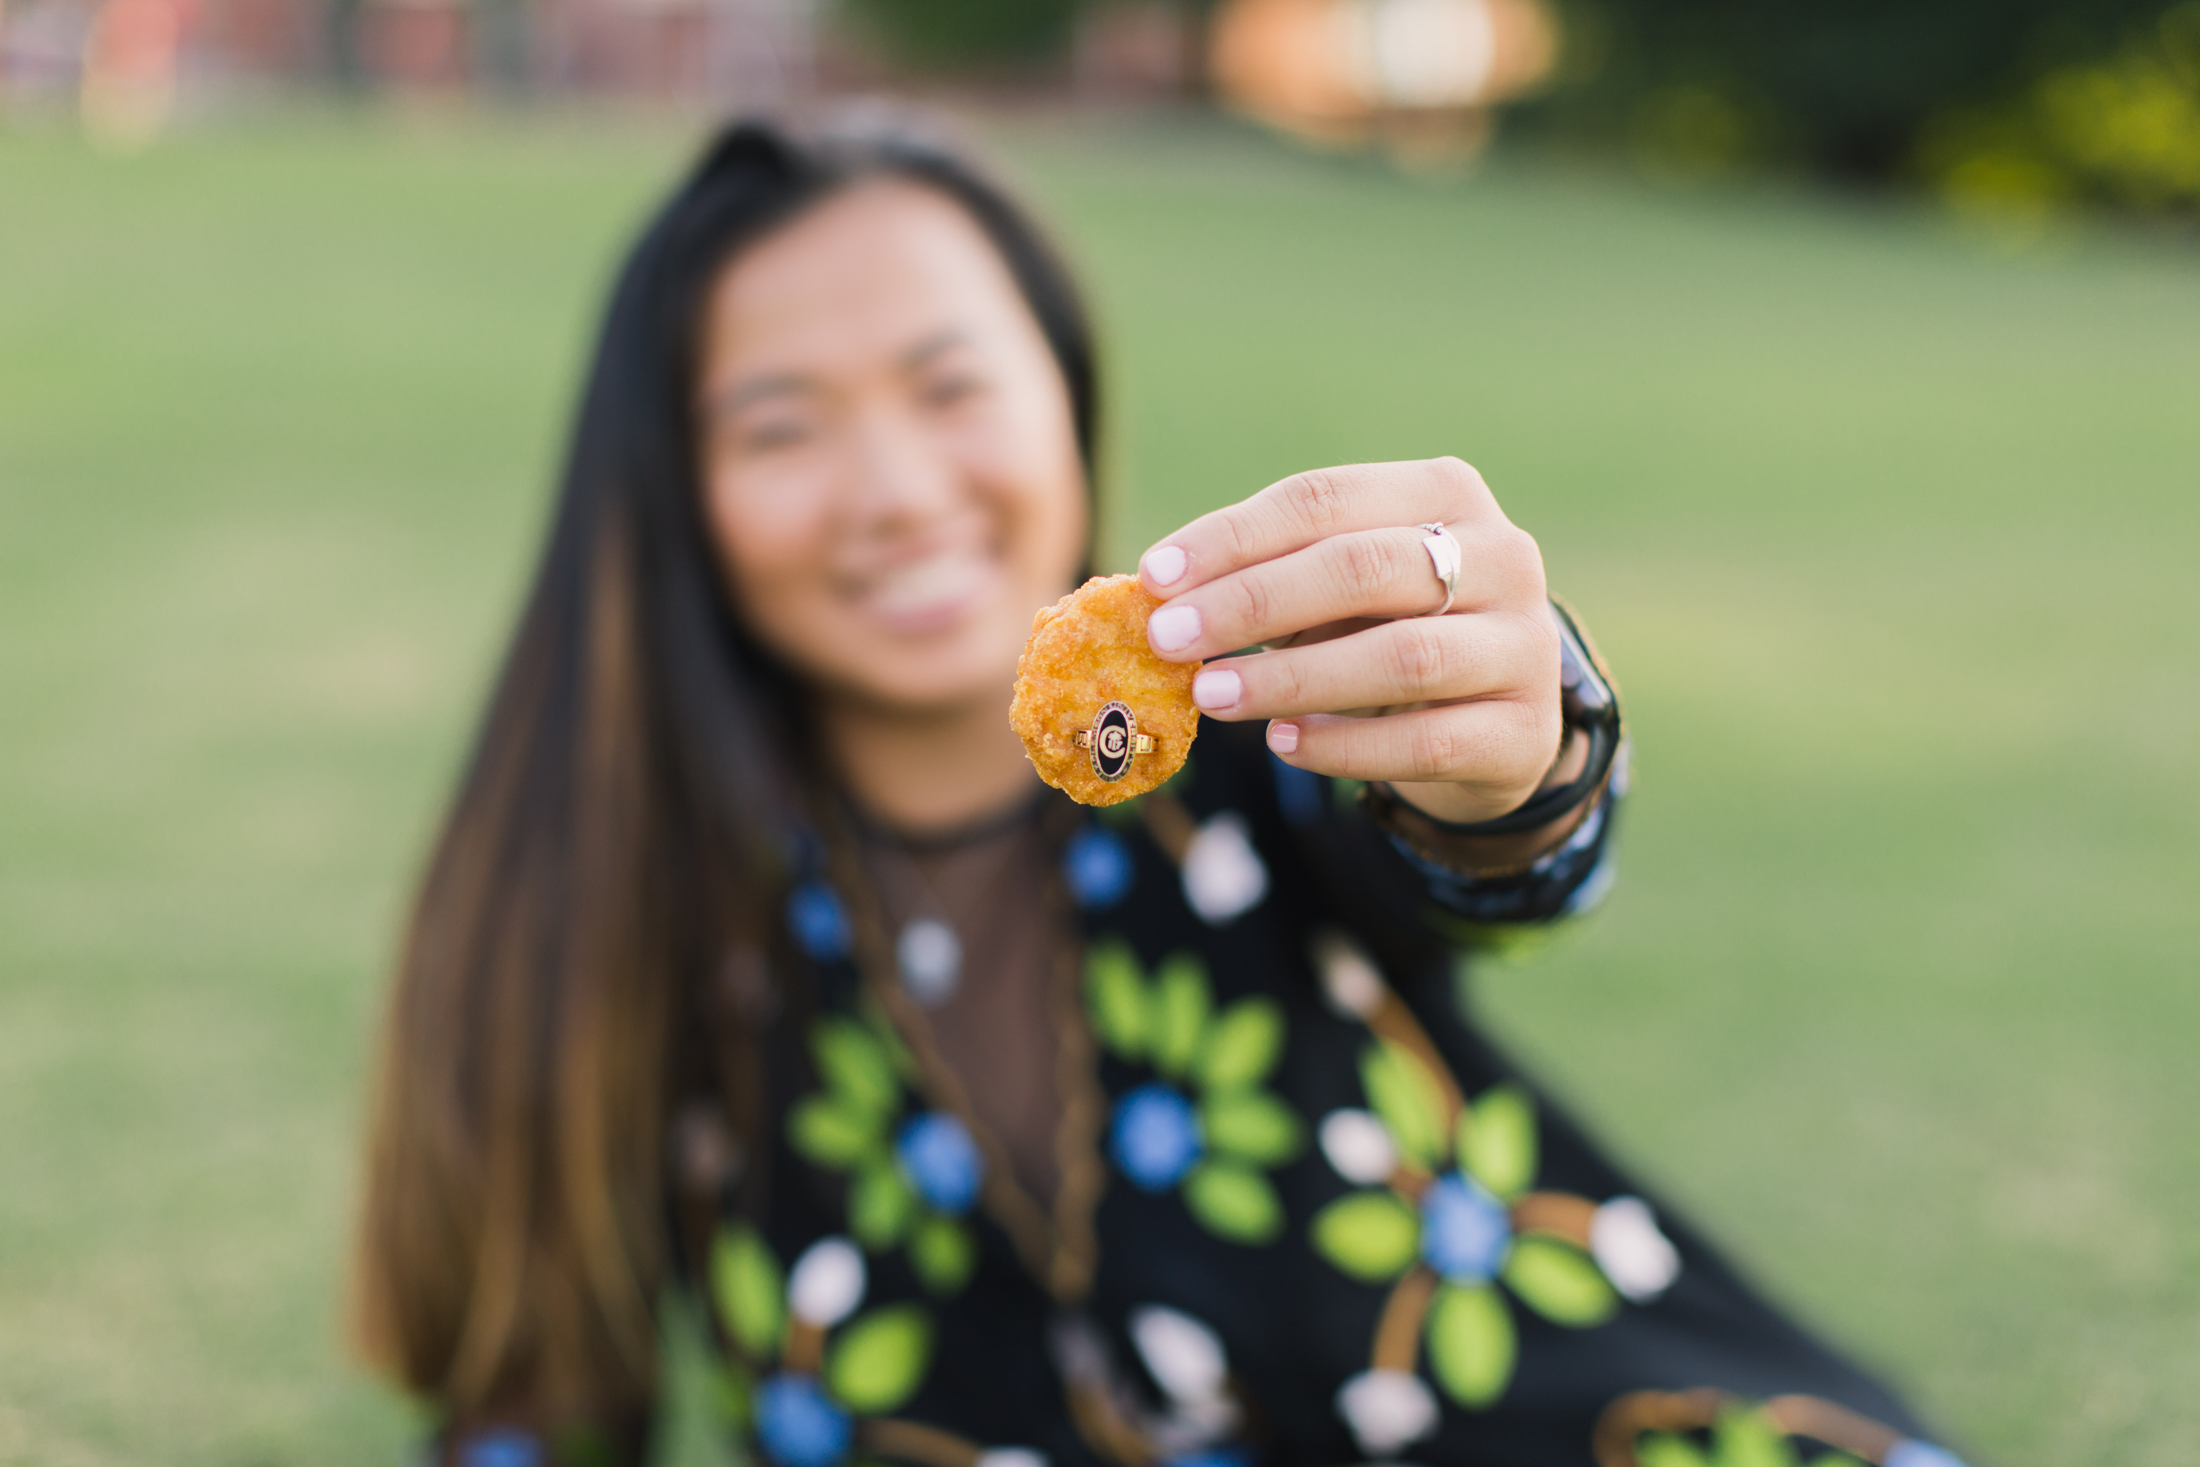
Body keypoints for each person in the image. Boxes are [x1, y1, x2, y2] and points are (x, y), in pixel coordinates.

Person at [350, 112, 1967, 1467]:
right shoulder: (625, 918)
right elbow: (527, 1399)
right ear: (673, 495)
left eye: (953, 385)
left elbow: (1491, 855)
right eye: (781, 427)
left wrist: (1526, 744)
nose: (898, 494)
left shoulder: (1260, 734)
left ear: (1067, 400)